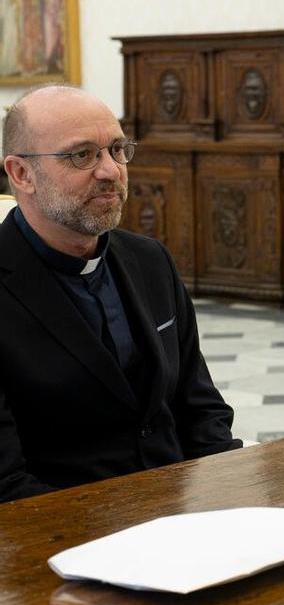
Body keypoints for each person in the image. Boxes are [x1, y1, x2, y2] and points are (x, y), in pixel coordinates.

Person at [0, 85, 240, 503]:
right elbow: (7, 483)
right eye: (82, 155)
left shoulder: (150, 261)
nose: (110, 171)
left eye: (117, 149)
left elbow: (201, 408)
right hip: (62, 538)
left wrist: (230, 499)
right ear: (21, 174)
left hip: (184, 511)